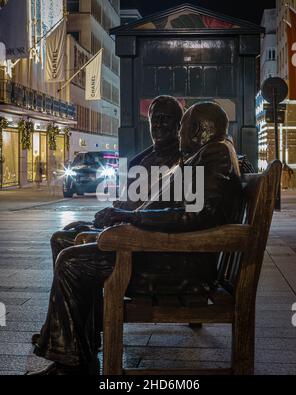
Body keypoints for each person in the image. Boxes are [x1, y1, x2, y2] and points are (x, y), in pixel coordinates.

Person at [29, 102, 241, 375]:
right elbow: (185, 210)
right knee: (67, 242)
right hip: (163, 251)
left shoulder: (215, 153)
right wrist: (128, 216)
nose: (178, 134)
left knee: (72, 262)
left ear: (198, 129)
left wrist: (132, 219)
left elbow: (194, 216)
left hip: (176, 264)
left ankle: (71, 363)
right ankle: (77, 343)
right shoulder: (206, 153)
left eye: (183, 127)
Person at [50, 95, 183, 268]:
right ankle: (86, 296)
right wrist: (115, 211)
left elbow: (158, 209)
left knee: (62, 242)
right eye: (154, 119)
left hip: (139, 241)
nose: (158, 124)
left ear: (178, 125)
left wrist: (119, 214)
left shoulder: (179, 161)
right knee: (68, 232)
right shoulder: (146, 158)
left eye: (165, 119)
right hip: (126, 227)